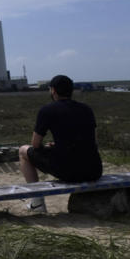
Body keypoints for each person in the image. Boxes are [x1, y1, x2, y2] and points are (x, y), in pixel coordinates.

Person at [18, 74, 103, 213]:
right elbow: (93, 142)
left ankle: (37, 202)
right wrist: (59, 147)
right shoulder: (86, 109)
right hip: (94, 170)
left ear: (53, 91)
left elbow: (35, 144)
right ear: (71, 90)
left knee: (23, 151)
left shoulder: (47, 110)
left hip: (69, 171)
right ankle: (37, 202)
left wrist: (53, 148)